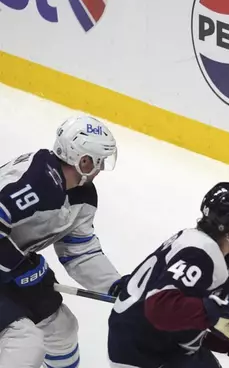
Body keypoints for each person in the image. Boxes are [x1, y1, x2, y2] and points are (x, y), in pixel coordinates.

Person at [107, 182, 229, 368]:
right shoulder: (199, 253)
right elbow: (159, 307)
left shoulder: (221, 257)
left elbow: (195, 322)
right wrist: (213, 313)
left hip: (167, 345)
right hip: (140, 353)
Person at [0, 115, 123, 368]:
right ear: (84, 161)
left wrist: (117, 287)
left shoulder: (81, 195)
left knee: (62, 331)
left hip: (10, 269)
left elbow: (80, 252)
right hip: (7, 268)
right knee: (24, 342)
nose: (100, 170)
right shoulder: (35, 180)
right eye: (99, 162)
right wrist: (16, 265)